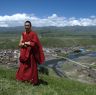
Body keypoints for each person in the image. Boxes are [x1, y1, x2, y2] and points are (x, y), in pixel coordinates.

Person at [16, 21, 45, 85]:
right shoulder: (23, 34)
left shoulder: (33, 34)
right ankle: (23, 79)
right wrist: (25, 43)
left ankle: (32, 81)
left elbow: (35, 43)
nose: (26, 27)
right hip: (24, 52)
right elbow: (19, 44)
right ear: (24, 26)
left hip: (31, 53)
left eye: (28, 25)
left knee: (31, 67)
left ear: (30, 26)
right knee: (23, 66)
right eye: (25, 25)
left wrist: (26, 43)